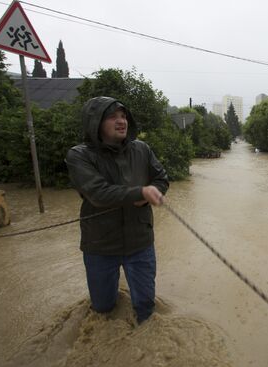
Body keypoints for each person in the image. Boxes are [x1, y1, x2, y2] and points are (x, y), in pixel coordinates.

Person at [66, 96, 169, 323]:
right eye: (112, 117)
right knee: (103, 309)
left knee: (145, 309)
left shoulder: (142, 149)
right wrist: (140, 193)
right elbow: (98, 193)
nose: (121, 121)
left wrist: (153, 189)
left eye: (123, 116)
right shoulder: (79, 155)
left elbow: (162, 178)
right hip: (100, 246)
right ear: (95, 123)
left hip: (140, 242)